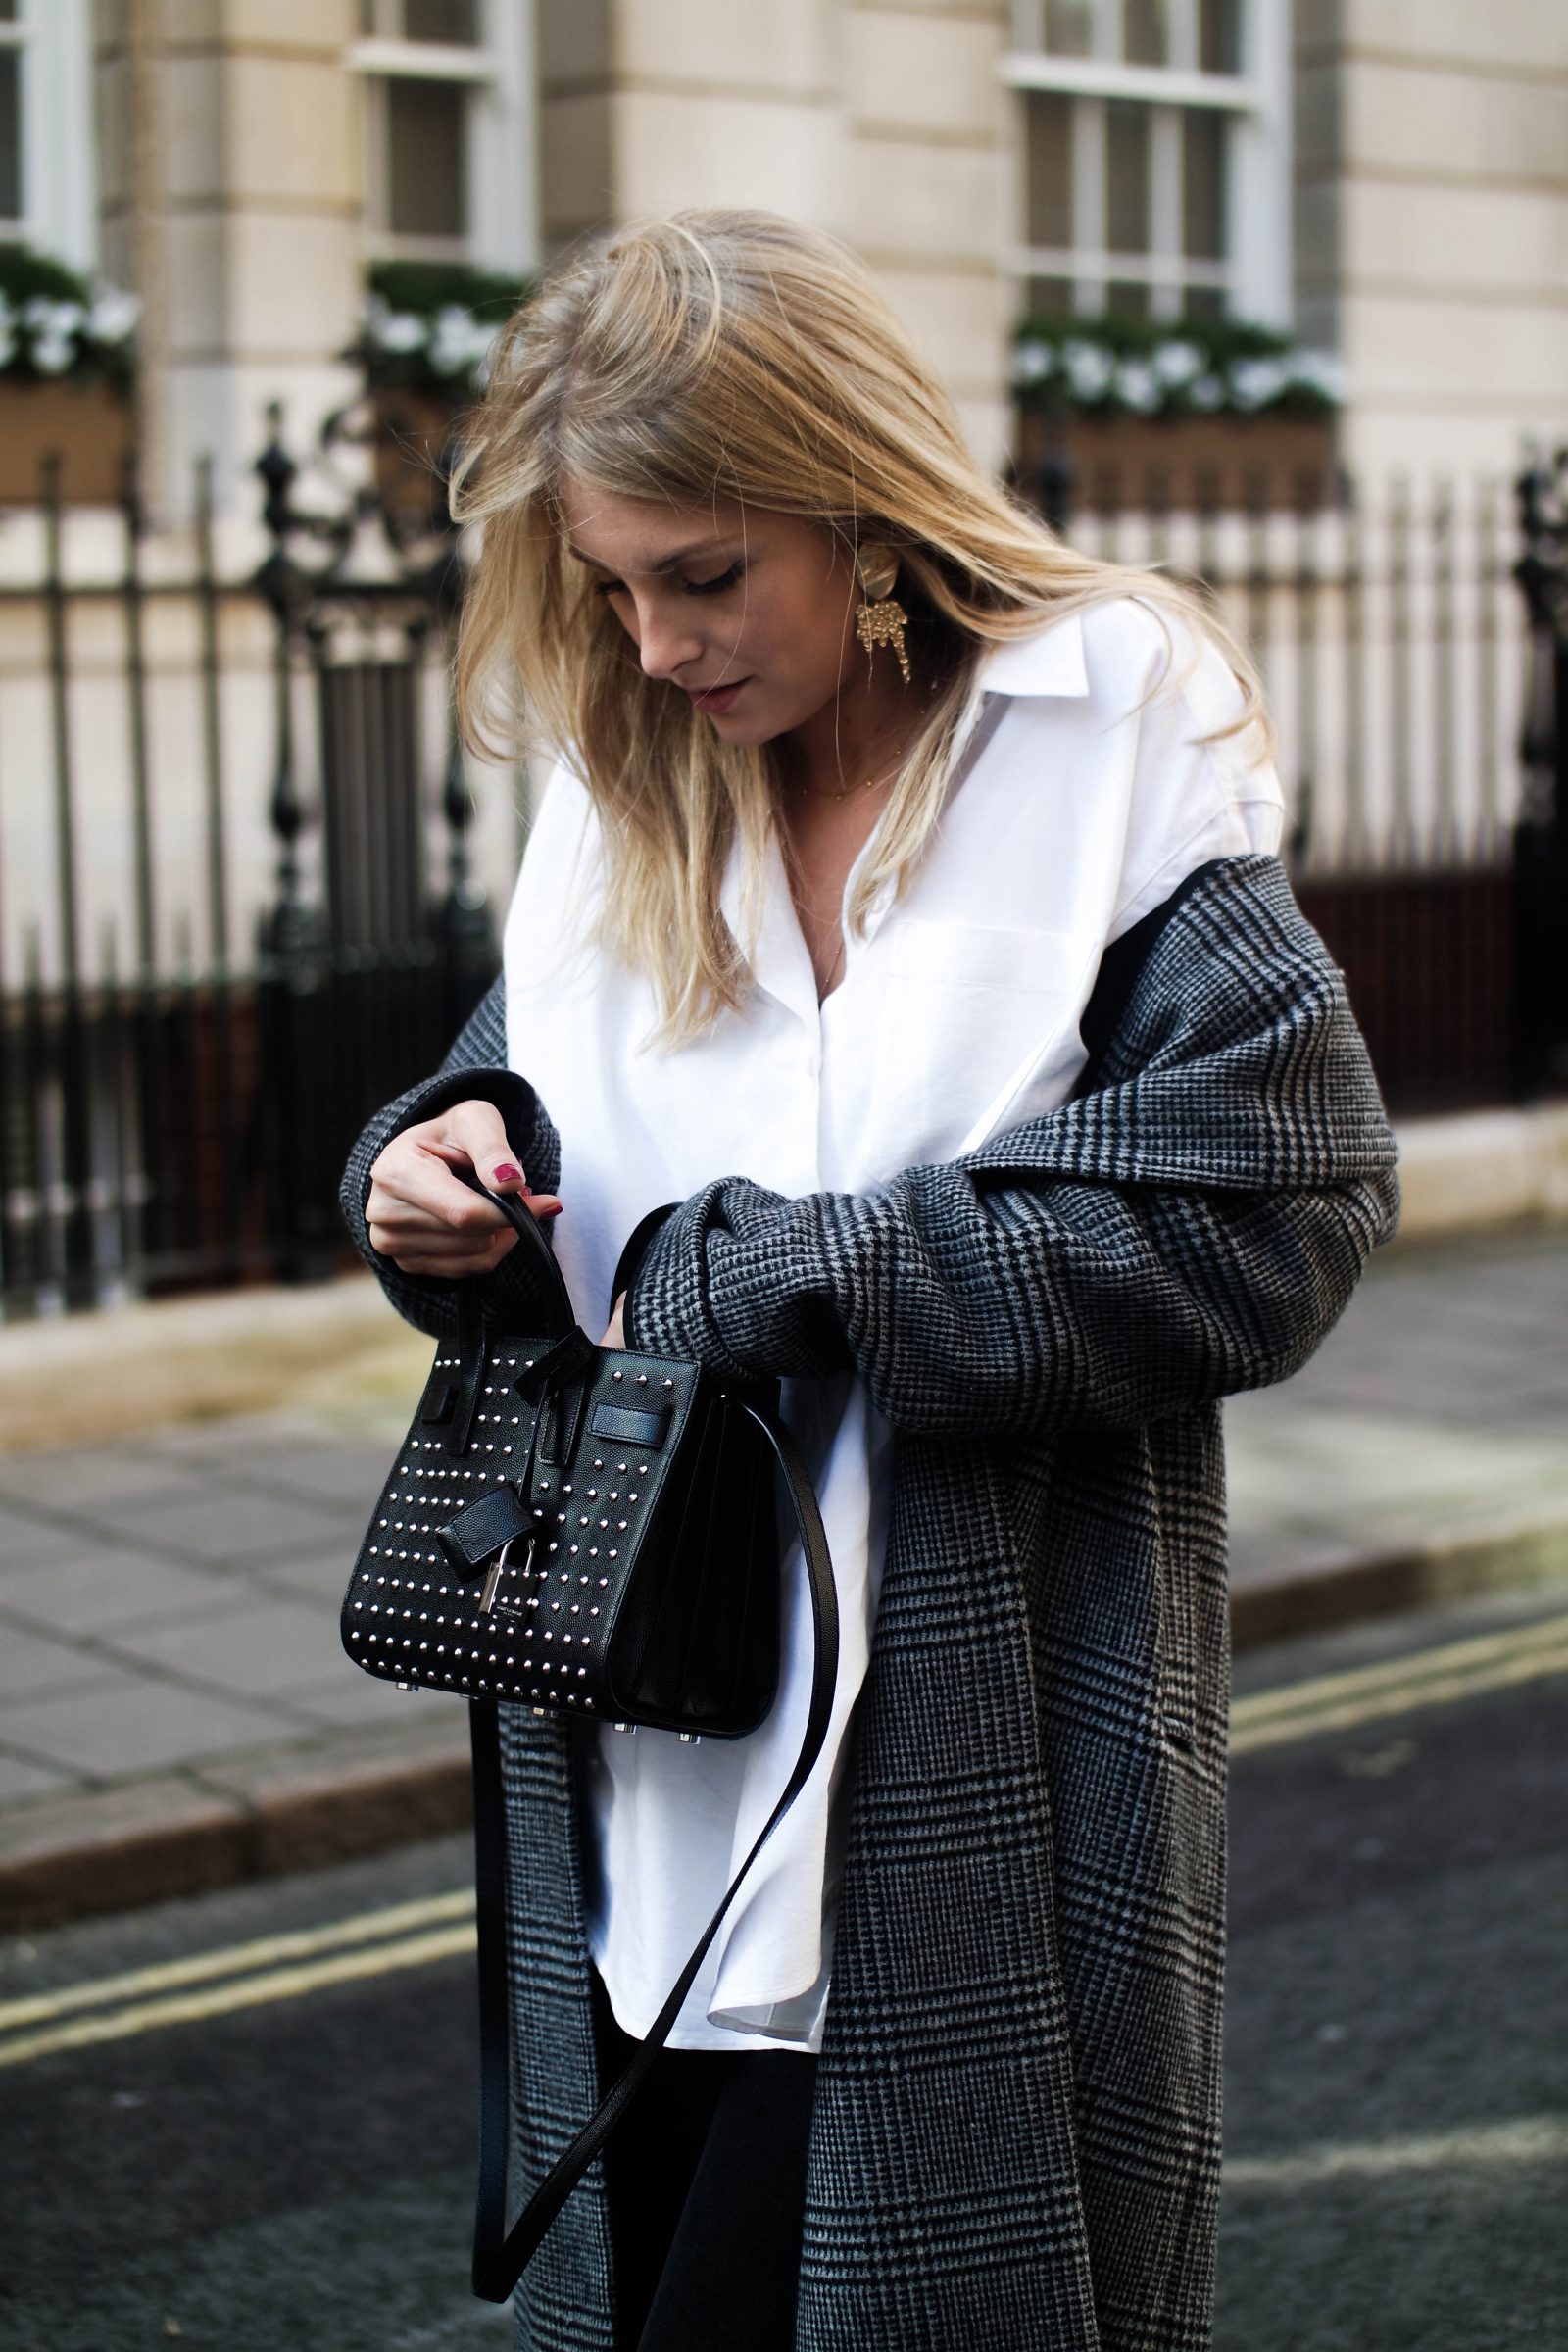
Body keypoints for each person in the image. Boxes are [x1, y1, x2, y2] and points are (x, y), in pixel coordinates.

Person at [343, 210, 1398, 2352]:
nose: (651, 644)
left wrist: (805, 1278)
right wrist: (429, 1178)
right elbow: (521, 1106)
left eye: (704, 577)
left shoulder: (1098, 727)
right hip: (642, 1719)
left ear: (857, 502)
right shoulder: (619, 768)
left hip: (976, 1744)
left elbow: (1271, 1211)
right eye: (612, 585)